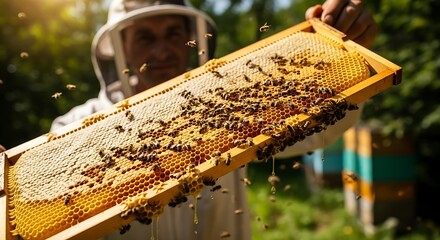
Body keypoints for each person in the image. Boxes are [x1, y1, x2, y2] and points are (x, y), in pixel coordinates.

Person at [46, 0, 377, 239]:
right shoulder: (75, 127)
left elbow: (320, 128)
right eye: (145, 37)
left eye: (174, 34)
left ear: (191, 38)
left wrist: (345, 50)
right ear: (120, 46)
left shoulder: (227, 102)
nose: (162, 50)